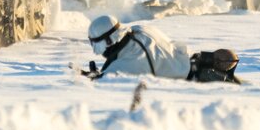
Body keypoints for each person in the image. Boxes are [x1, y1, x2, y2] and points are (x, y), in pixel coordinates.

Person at [83, 14, 241, 83]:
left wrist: (95, 77)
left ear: (108, 41)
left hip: (194, 80)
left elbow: (107, 82)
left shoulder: (129, 61)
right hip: (194, 66)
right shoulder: (139, 30)